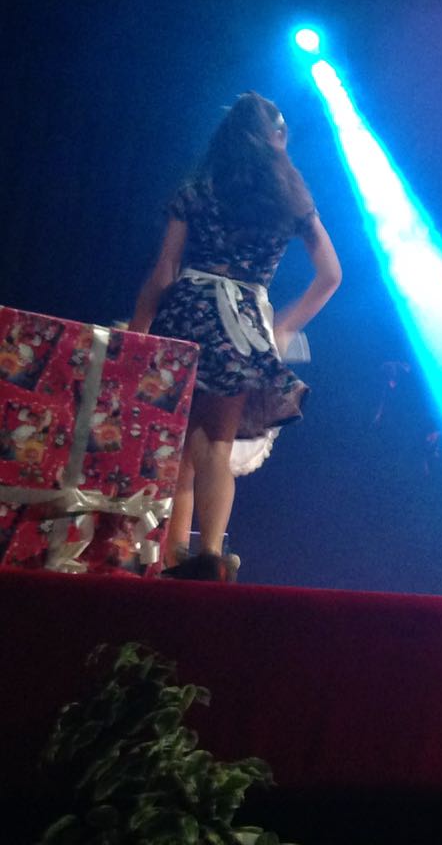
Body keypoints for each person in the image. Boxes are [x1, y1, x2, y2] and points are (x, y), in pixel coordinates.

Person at [130, 93, 341, 580]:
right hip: (242, 326)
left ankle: (175, 556)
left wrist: (138, 333)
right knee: (215, 447)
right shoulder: (291, 199)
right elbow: (331, 274)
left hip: (186, 316)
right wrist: (284, 326)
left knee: (181, 449)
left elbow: (165, 270)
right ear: (277, 137)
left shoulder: (198, 188)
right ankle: (209, 558)